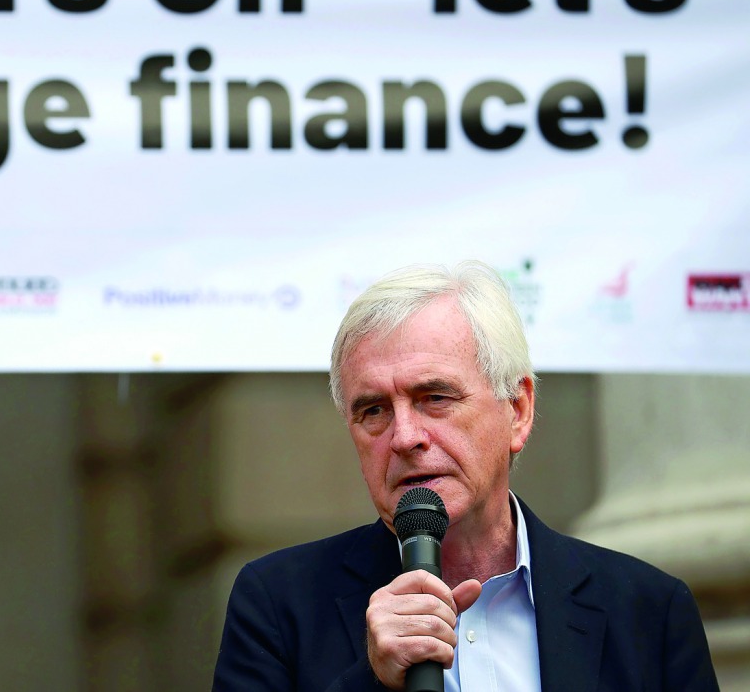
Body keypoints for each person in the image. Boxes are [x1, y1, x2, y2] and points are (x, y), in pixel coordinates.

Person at [212, 261, 719, 691]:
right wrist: (372, 681)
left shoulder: (648, 611)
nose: (405, 436)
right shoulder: (278, 604)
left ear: (517, 411)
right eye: (373, 410)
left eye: (435, 397)